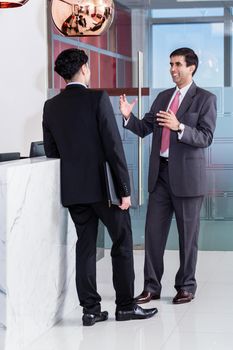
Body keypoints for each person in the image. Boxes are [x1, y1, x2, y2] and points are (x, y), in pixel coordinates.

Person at [42, 48, 157, 326]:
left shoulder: (51, 106)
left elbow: (51, 150)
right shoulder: (97, 98)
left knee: (85, 246)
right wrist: (125, 189)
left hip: (74, 191)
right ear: (83, 68)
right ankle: (125, 306)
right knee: (122, 242)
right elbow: (113, 145)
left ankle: (90, 310)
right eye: (89, 67)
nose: (90, 71)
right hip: (105, 191)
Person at [119, 47, 217, 305]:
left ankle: (186, 286)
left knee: (188, 237)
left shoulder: (205, 99)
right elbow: (145, 129)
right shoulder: (163, 97)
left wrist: (180, 127)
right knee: (153, 235)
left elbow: (206, 137)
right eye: (170, 64)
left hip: (187, 178)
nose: (173, 69)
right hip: (160, 175)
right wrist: (129, 117)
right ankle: (151, 287)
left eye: (178, 65)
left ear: (191, 67)